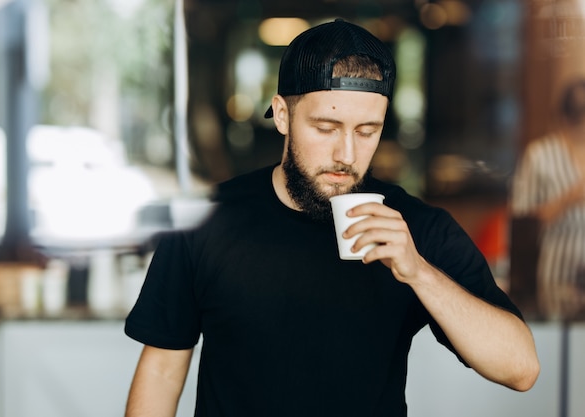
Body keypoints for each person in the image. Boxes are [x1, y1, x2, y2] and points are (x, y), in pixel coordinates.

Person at [124, 19, 539, 417]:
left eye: (366, 131)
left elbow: (520, 368)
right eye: (326, 127)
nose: (346, 154)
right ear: (283, 115)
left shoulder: (414, 228)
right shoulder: (206, 221)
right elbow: (162, 368)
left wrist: (419, 273)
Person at [511, 78, 585, 319]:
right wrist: (569, 199)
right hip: (557, 273)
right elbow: (523, 220)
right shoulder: (540, 155)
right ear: (564, 116)